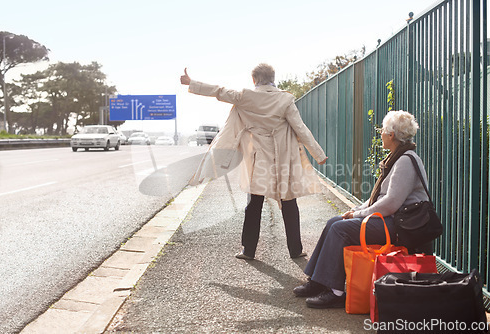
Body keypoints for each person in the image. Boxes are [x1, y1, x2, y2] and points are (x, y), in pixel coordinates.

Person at [180, 64, 327, 260]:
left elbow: (219, 91)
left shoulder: (245, 96)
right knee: (289, 203)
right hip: (282, 158)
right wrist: (319, 155)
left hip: (259, 159)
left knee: (254, 204)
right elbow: (301, 129)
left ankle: (248, 250)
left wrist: (192, 83)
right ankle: (295, 250)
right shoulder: (285, 99)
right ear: (274, 78)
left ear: (254, 80)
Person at [293, 110, 430, 309]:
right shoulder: (398, 157)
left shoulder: (405, 161)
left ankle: (336, 292)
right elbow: (380, 198)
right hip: (393, 220)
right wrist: (356, 209)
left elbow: (390, 203)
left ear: (391, 135)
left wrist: (358, 215)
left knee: (340, 229)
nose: (380, 134)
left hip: (401, 226)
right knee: (335, 221)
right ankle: (318, 281)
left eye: (382, 130)